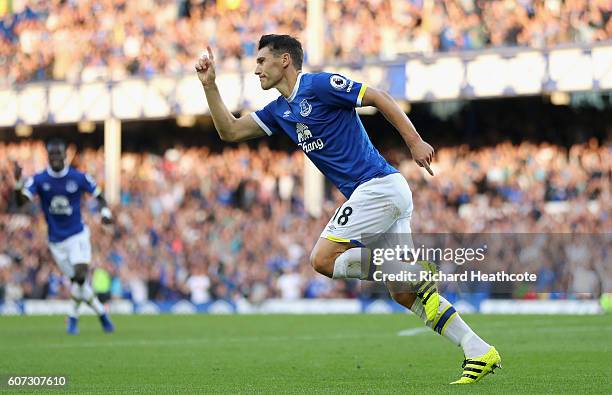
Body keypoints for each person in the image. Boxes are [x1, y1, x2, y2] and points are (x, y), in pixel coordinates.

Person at [195, 34, 500, 384]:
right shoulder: (279, 111)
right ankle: (478, 349)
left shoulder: (320, 86)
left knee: (322, 260)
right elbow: (230, 131)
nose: (256, 70)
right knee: (403, 292)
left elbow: (378, 97)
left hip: (378, 187)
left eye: (261, 61)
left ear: (284, 61)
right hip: (380, 194)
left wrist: (414, 141)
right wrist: (209, 86)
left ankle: (413, 271)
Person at [11, 139, 115, 335]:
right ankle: (100, 314)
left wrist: (105, 213)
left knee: (81, 273)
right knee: (79, 282)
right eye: (52, 155)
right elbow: (21, 202)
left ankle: (73, 319)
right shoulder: (40, 180)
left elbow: (99, 195)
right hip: (56, 242)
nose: (56, 158)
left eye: (59, 154)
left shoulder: (78, 177)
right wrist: (17, 183)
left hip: (77, 235)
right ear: (48, 157)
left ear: (66, 155)